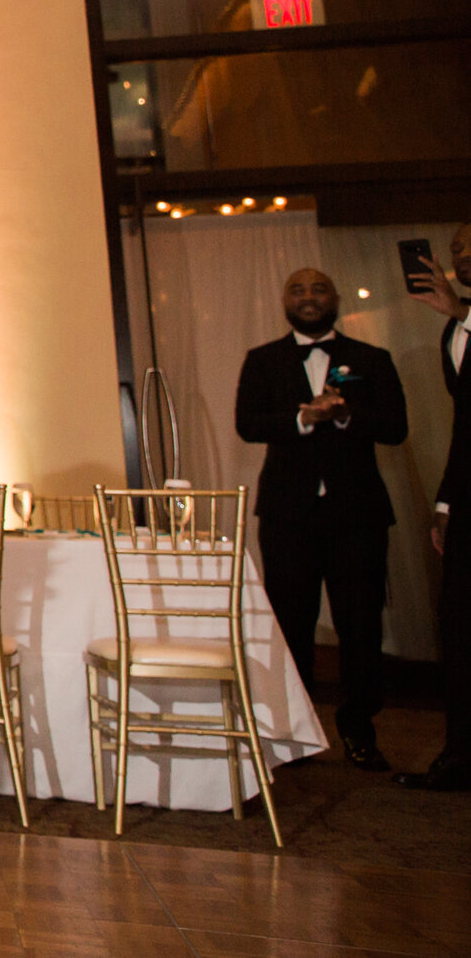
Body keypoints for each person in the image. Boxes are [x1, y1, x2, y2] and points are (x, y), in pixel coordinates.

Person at [237, 266, 410, 772]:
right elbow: (248, 424)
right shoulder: (262, 360)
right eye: (297, 289)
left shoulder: (370, 359)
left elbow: (397, 428)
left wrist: (344, 415)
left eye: (318, 289)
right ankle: (295, 733)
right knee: (291, 623)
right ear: (284, 300)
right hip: (289, 515)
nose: (308, 298)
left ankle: (360, 729)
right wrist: (301, 419)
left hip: (357, 514)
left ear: (334, 298)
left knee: (360, 624)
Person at [401, 223, 471, 791]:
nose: (461, 254)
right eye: (454, 249)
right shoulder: (455, 331)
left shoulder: (463, 323)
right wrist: (446, 501)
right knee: (459, 626)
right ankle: (460, 756)